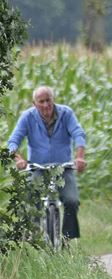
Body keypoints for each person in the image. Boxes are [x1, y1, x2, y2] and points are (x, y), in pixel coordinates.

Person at [7, 86, 87, 241]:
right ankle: (34, 234)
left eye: (48, 100)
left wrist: (80, 157)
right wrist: (19, 159)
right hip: (38, 167)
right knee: (30, 196)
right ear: (34, 103)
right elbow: (13, 141)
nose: (45, 105)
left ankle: (67, 239)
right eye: (41, 101)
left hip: (63, 167)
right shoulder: (27, 117)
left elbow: (78, 133)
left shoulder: (66, 113)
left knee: (71, 201)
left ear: (53, 99)